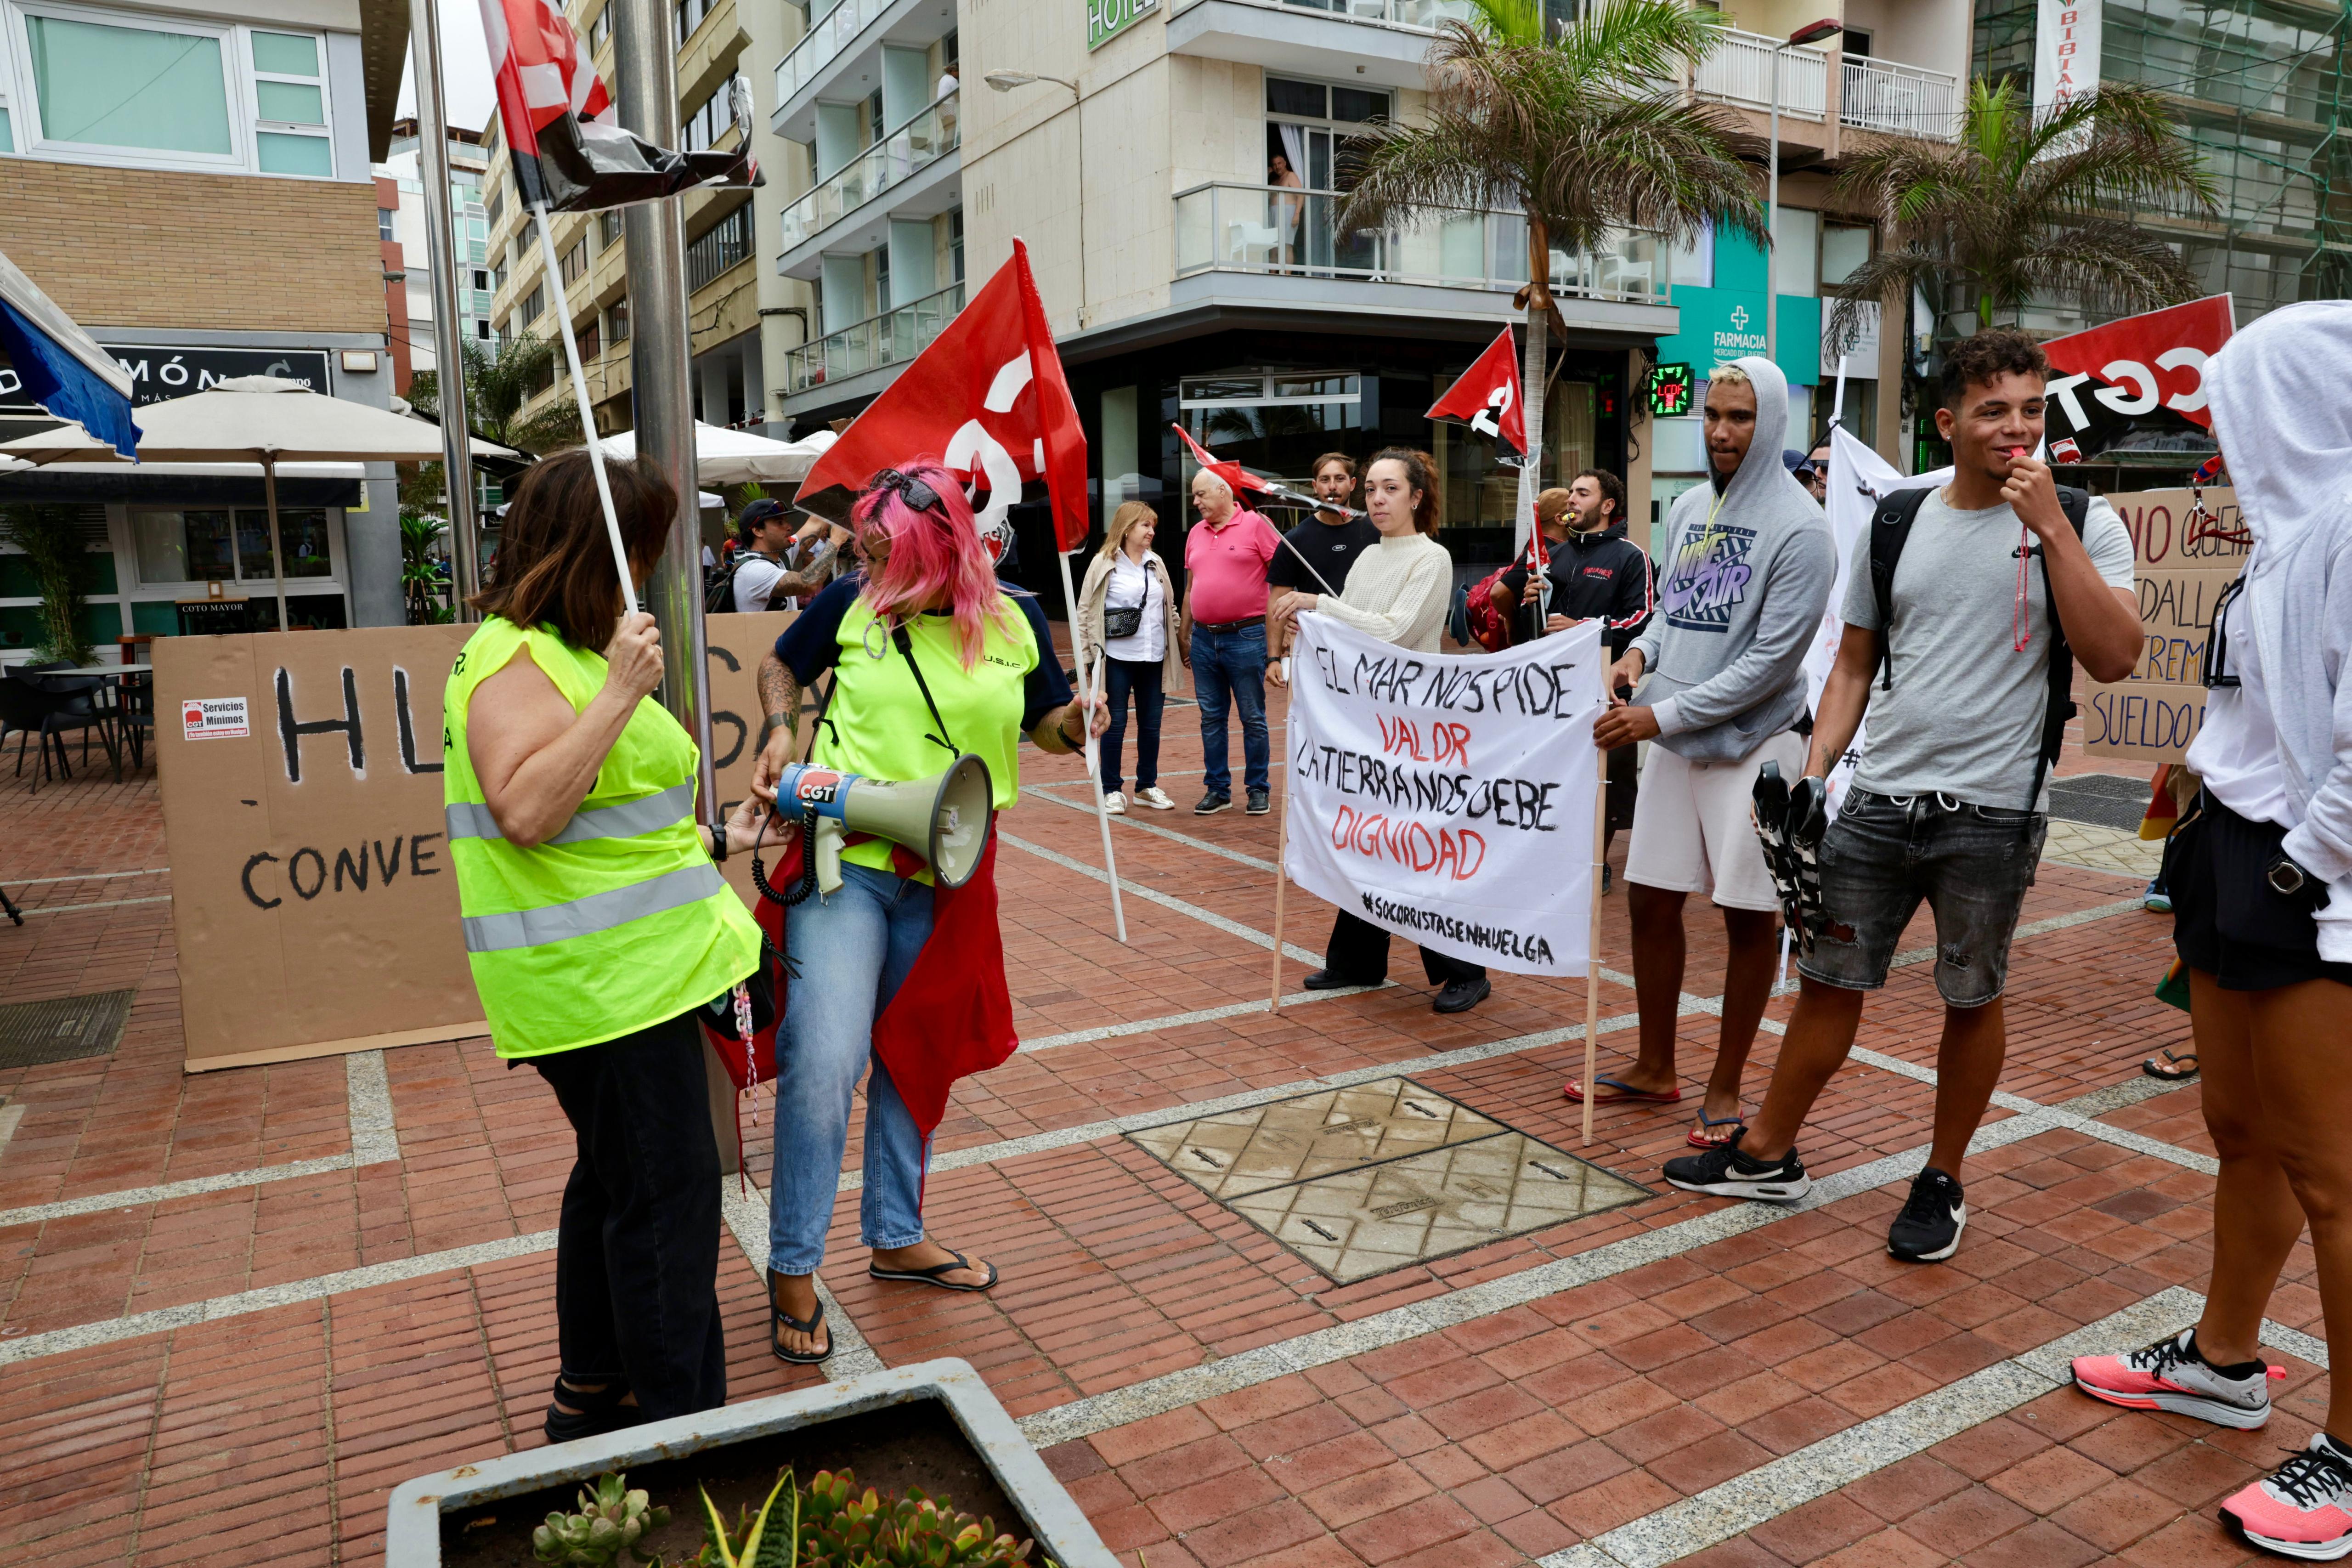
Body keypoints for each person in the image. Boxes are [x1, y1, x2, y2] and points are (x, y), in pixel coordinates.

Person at [1664, 330, 2140, 1262]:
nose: (2017, 429)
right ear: (1947, 421)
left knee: (1971, 992)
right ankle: (1767, 1152)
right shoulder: (1896, 521)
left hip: (1995, 809)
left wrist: (2047, 527)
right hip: (1878, 797)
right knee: (1828, 982)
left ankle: (1943, 1174)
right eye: (1995, 409)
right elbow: (1851, 668)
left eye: (2032, 410)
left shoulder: (2083, 519)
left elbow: (2115, 656)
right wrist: (1815, 770)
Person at [2065, 302, 2352, 1558]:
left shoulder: (2345, 531)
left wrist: (2307, 867)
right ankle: (2228, 1358)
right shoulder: (2292, 537)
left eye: (2233, 411)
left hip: (2311, 881)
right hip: (2231, 846)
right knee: (2239, 1128)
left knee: (2336, 1173)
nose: (2217, 441)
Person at [747, 458, 1105, 1364]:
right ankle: (793, 1264)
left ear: (939, 544)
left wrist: (1079, 724)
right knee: (824, 1058)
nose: (867, 559)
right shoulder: (855, 605)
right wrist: (780, 725)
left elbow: (1047, 722)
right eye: (864, 545)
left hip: (953, 870)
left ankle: (896, 1232)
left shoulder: (1017, 617)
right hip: (851, 863)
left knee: (917, 1053)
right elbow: (780, 668)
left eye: (883, 545)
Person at [442, 449, 767, 1440]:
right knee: (666, 1206)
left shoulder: (567, 648)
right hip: (604, 992)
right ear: (592, 549)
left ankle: (591, 1385)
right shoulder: (518, 659)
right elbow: (531, 808)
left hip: (638, 977)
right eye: (643, 548)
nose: (657, 567)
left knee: (616, 1179)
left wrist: (720, 840)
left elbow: (611, 822)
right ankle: (685, 1437)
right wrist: (623, 692)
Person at [1577, 361, 1832, 1148]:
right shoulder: (1688, 505)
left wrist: (1657, 716)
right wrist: (1637, 657)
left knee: (1747, 916)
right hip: (1673, 734)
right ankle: (1657, 1066)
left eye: (1741, 417)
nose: (1721, 431)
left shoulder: (1805, 528)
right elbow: (1673, 611)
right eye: (1713, 414)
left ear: (1774, 425)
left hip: (1756, 748)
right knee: (1652, 900)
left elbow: (1770, 662)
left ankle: (1725, 1087)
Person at [1275, 448, 1492, 1015]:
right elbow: (1352, 633)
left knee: (1417, 846)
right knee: (1369, 837)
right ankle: (1357, 960)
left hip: (1415, 726)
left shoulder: (1432, 558)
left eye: (1389, 488)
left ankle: (1464, 969)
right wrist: (1315, 624)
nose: (1376, 498)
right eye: (1370, 488)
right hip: (1368, 723)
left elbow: (1394, 631)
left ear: (1416, 497)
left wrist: (1319, 604)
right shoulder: (1368, 556)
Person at [1488, 471, 1651, 883]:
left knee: (1605, 782)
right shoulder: (1554, 557)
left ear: (1608, 505)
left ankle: (1597, 865)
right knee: (1551, 780)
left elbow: (1644, 620)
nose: (1572, 500)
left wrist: (1586, 626)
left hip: (1603, 690)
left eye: (1583, 493)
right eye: (1572, 492)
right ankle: (1553, 858)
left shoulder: (1631, 557)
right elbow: (1536, 631)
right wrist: (1529, 606)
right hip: (1549, 696)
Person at [1181, 469, 1282, 815]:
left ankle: (1258, 788)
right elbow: (1192, 586)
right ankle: (1218, 789)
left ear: (1223, 491)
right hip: (1204, 639)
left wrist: (1278, 643)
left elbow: (1282, 583)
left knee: (1253, 717)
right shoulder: (1196, 533)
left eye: (1200, 494)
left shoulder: (1258, 525)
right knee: (1211, 718)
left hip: (1247, 636)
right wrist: (1185, 632)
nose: (1196, 503)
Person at [1076, 500, 1182, 815]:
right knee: (1115, 722)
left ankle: (1146, 786)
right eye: (1145, 526)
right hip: (1118, 657)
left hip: (1154, 657)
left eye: (1153, 526)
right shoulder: (1104, 562)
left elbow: (1170, 607)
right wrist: (1087, 658)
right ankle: (1111, 789)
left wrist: (1180, 642)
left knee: (1151, 725)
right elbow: (1085, 611)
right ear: (1126, 528)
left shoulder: (1156, 562)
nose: (1151, 532)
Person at [1267, 452, 1378, 687]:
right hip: (1315, 650)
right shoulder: (1295, 539)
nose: (1333, 487)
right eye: (1325, 480)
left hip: (1367, 645)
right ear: (1315, 486)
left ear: (1353, 483)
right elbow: (1277, 602)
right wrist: (1274, 658)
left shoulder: (1375, 532)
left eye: (1340, 479)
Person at [730, 498, 835, 614]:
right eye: (779, 523)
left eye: (786, 521)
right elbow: (809, 583)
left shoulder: (781, 555)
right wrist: (836, 541)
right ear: (758, 531)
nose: (789, 527)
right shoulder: (754, 569)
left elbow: (815, 525)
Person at [1268, 152, 1304, 269]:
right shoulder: (1275, 182)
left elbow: (1301, 195)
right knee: (1273, 245)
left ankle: (1287, 275)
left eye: (1279, 163)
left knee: (1287, 245)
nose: (1277, 167)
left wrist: (1297, 214)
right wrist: (1267, 174)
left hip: (1288, 213)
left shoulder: (1290, 176)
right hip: (1273, 214)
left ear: (1285, 163)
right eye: (1274, 165)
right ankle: (1273, 274)